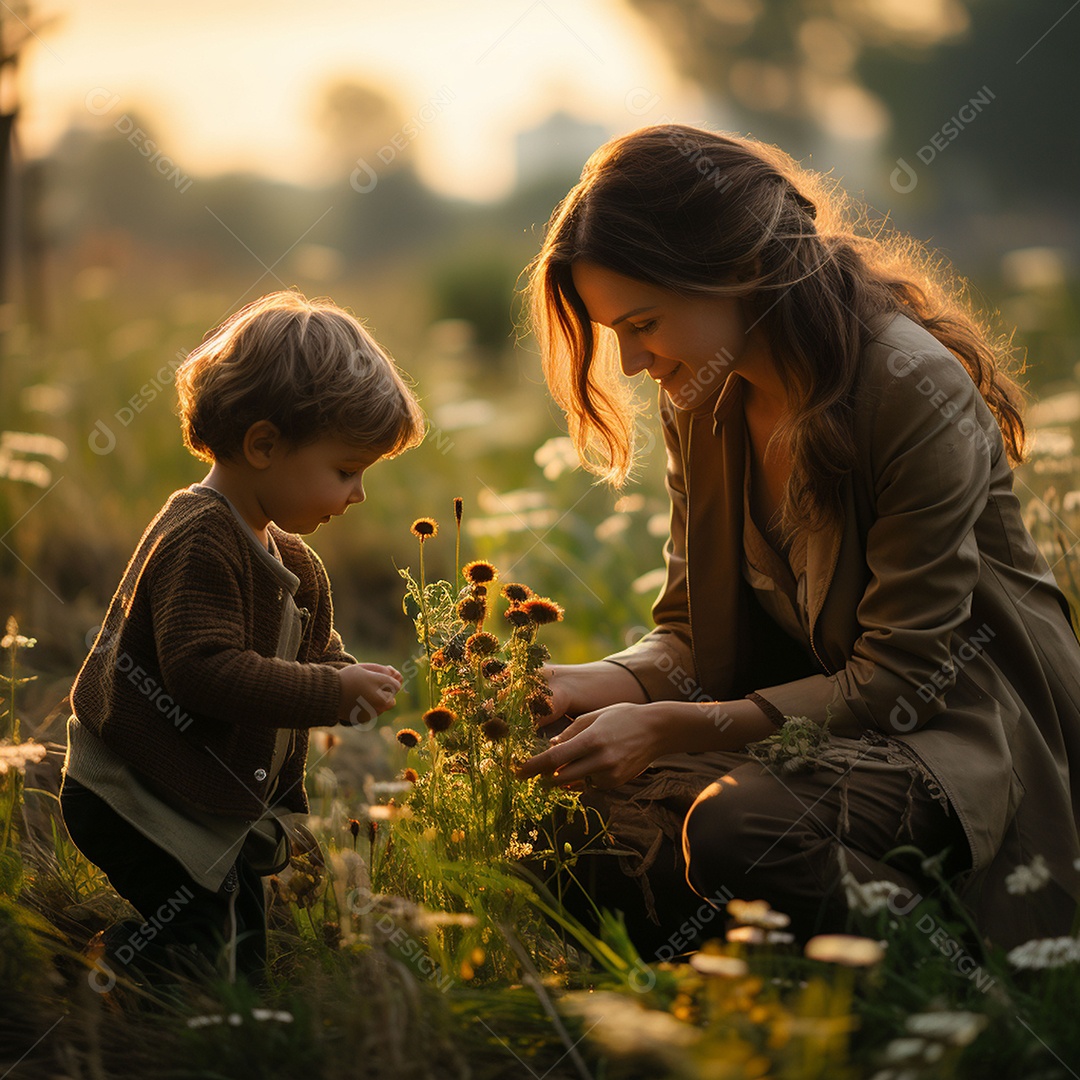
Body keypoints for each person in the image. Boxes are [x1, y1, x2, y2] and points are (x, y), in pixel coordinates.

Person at [517, 123, 1080, 956]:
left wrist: (671, 728)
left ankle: (962, 987)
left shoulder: (908, 385)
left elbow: (901, 682)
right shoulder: (702, 401)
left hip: (957, 733)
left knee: (735, 828)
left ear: (735, 274)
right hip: (818, 728)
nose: (632, 363)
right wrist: (587, 683)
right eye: (614, 335)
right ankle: (762, 985)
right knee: (548, 801)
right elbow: (687, 636)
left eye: (643, 323)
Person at [60, 290, 425, 987]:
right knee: (203, 944)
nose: (357, 495)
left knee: (243, 953)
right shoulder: (200, 537)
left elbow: (315, 657)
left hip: (197, 796)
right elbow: (204, 672)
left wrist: (347, 680)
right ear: (263, 445)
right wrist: (329, 691)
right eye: (346, 470)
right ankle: (115, 974)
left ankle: (205, 995)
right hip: (134, 794)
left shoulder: (295, 562)